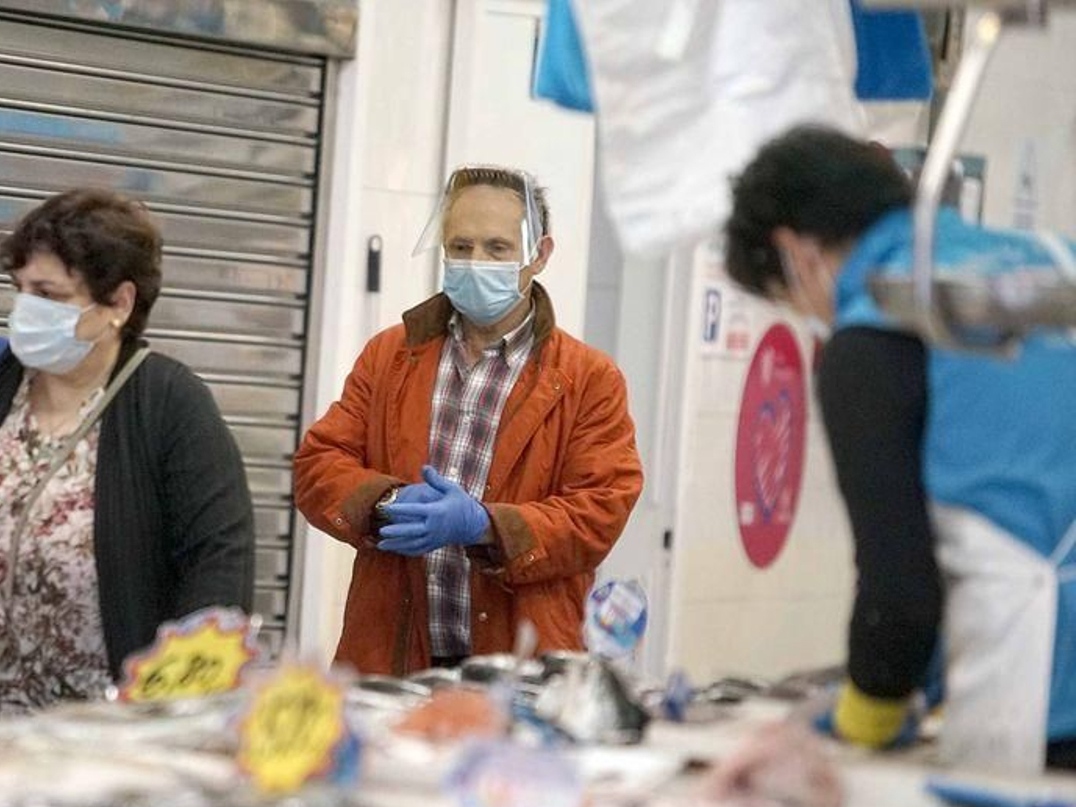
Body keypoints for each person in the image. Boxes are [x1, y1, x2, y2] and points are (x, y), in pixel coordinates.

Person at [724, 125, 1076, 774]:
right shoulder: (1053, 263)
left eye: (787, 299)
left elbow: (899, 587)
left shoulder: (878, 332)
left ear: (794, 252)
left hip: (1043, 690)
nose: (810, 314)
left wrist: (861, 723)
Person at [0, 189, 255, 715]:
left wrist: (173, 705)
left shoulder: (168, 403)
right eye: (20, 290)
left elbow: (220, 560)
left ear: (119, 305)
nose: (25, 310)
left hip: (95, 735)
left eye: (49, 294)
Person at [294, 165, 643, 675]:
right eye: (460, 247)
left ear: (539, 255)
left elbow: (600, 510)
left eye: (497, 249)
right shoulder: (391, 356)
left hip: (521, 664)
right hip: (391, 658)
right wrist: (384, 501)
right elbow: (318, 464)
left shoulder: (587, 378)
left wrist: (489, 526)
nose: (475, 263)